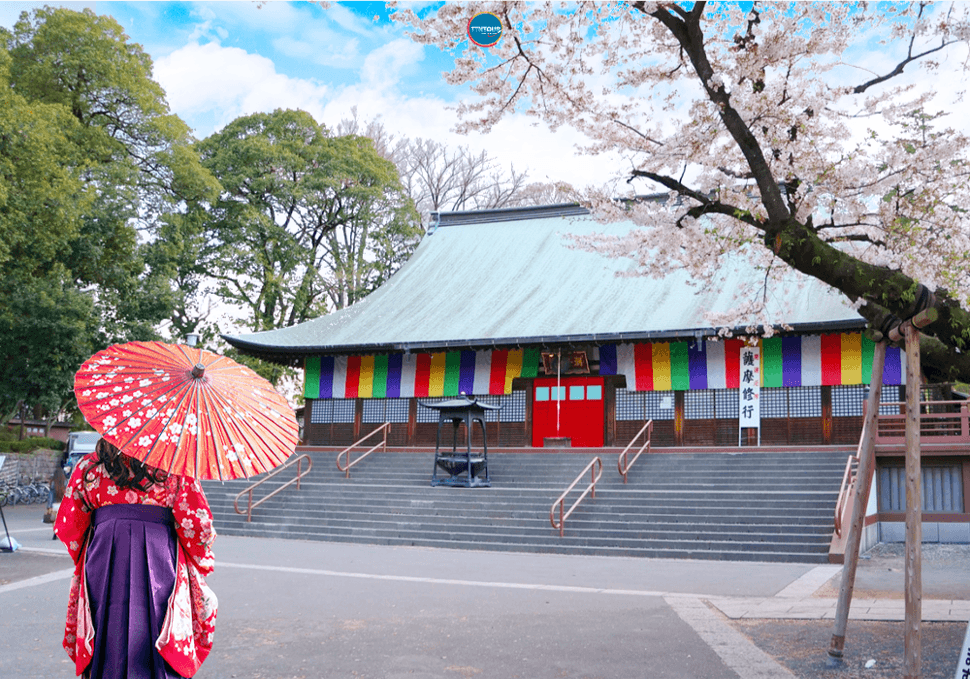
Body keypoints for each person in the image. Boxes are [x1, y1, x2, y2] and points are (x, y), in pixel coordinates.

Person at [55, 439, 218, 679]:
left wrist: (91, 548)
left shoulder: (88, 466)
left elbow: (70, 526)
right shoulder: (174, 466)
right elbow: (197, 525)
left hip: (103, 559)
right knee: (158, 623)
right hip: (159, 558)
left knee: (104, 627)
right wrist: (201, 558)